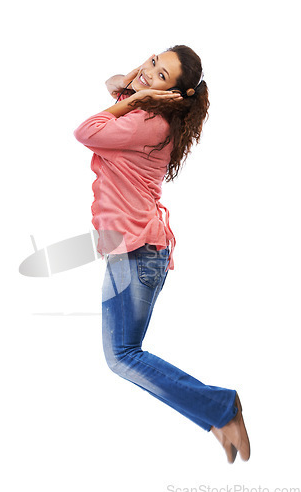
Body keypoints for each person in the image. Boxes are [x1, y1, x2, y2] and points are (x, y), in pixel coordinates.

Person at [74, 45, 250, 464]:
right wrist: (137, 83)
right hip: (135, 249)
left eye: (163, 74)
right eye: (154, 60)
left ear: (175, 94)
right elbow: (113, 83)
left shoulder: (147, 122)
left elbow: (86, 131)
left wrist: (134, 96)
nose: (151, 71)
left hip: (137, 252)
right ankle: (215, 418)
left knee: (122, 355)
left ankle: (221, 407)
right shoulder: (149, 116)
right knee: (125, 354)